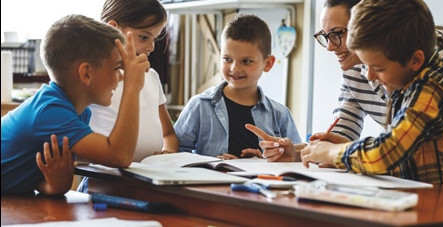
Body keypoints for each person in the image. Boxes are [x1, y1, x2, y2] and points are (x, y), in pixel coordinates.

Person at [270, 0, 443, 185]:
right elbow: (397, 149)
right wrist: (305, 151)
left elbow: (387, 151)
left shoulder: (430, 81)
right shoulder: (384, 71)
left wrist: (331, 152)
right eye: (324, 36)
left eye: (336, 33)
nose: (369, 76)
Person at [1, 14, 149, 195]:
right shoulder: (50, 112)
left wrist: (57, 186)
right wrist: (132, 88)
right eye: (117, 68)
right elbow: (119, 155)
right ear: (86, 73)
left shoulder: (77, 112)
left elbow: (26, 178)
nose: (121, 77)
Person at [173, 14, 301, 159]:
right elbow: (177, 154)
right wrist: (212, 164)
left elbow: (294, 158)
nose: (234, 68)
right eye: (227, 59)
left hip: (261, 181)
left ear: (268, 63)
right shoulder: (199, 105)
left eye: (246, 61)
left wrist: (261, 161)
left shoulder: (280, 115)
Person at [89, 0, 178, 162]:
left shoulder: (151, 76)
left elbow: (168, 134)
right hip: (106, 178)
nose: (151, 47)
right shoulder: (93, 78)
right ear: (113, 29)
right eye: (144, 37)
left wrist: (168, 153)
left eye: (155, 39)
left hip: (149, 177)